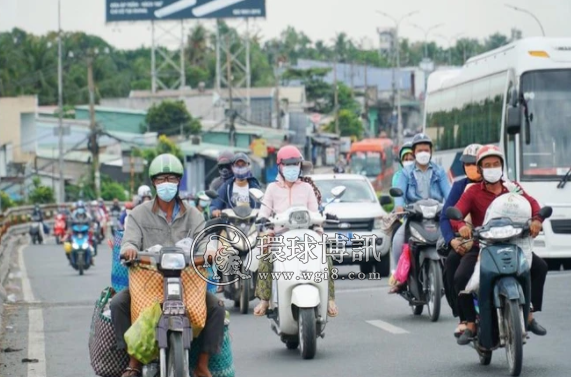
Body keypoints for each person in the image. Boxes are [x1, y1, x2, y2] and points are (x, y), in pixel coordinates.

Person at [110, 153, 225, 377]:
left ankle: (202, 365)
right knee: (117, 304)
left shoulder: (194, 215)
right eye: (161, 179)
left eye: (171, 179)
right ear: (153, 182)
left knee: (217, 309)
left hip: (188, 280)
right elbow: (130, 241)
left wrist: (209, 252)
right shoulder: (138, 214)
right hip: (147, 280)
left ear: (179, 182)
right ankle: (132, 362)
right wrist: (130, 250)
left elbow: (203, 244)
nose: (166, 184)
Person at [452, 145, 548, 345]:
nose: (492, 168)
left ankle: (528, 314)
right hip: (483, 247)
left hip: (514, 244)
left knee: (540, 267)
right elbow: (455, 212)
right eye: (487, 165)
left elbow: (534, 205)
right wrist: (461, 225)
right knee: (461, 276)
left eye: (496, 164)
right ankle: (470, 322)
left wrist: (537, 220)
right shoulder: (472, 192)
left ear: (502, 166)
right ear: (480, 170)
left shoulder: (513, 188)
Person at [252, 145, 338, 317]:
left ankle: (329, 299)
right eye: (288, 165)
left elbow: (315, 211)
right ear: (280, 166)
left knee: (325, 257)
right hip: (280, 235)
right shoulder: (272, 188)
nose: (292, 168)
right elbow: (264, 212)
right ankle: (264, 300)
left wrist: (319, 227)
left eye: (295, 164)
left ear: (300, 166)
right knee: (265, 257)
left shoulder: (306, 188)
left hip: (306, 234)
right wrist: (265, 225)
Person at [390, 133, 451, 293]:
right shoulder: (406, 173)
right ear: (414, 152)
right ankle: (400, 278)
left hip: (437, 216)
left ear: (431, 151)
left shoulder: (439, 171)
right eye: (420, 149)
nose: (423, 152)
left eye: (426, 149)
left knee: (453, 241)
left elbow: (449, 194)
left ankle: (451, 277)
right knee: (397, 240)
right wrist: (399, 207)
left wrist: (453, 207)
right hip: (414, 216)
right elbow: (400, 194)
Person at [439, 144, 483, 335]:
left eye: (474, 163)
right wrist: (452, 240)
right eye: (467, 164)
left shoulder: (502, 184)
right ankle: (464, 317)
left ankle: (526, 312)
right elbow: (447, 216)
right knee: (452, 266)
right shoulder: (460, 187)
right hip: (466, 240)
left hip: (495, 239)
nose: (470, 167)